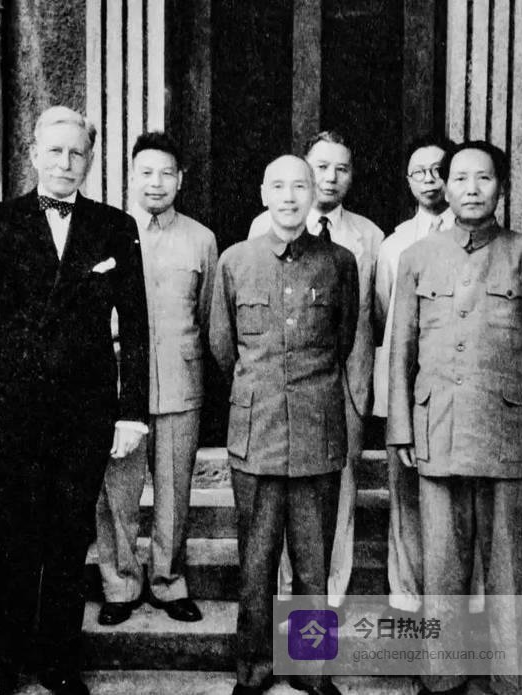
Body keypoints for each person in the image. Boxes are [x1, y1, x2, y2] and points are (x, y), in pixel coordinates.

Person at [0, 106, 150, 695]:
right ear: (33, 154)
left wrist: (131, 413)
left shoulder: (114, 227)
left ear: (90, 160)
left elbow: (137, 329)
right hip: (9, 412)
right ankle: (2, 667)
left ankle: (59, 662)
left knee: (67, 539)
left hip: (85, 414)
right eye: (54, 151)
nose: (65, 162)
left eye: (76, 152)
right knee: (9, 539)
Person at [387, 141, 522, 695]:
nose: (470, 188)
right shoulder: (417, 257)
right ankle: (442, 676)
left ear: (501, 188)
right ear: (445, 187)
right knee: (442, 564)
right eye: (460, 178)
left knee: (511, 565)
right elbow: (401, 351)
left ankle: (514, 679)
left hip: (507, 433)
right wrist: (401, 427)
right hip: (437, 430)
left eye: (483, 178)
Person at [211, 154, 363, 695]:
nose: (290, 196)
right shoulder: (235, 261)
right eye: (279, 186)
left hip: (317, 433)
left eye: (300, 185)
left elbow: (343, 341)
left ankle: (310, 669)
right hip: (257, 435)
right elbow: (223, 347)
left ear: (314, 192)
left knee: (313, 563)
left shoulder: (340, 262)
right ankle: (253, 669)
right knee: (255, 563)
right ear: (263, 193)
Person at [250, 131, 382, 606]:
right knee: (279, 500)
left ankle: (331, 593)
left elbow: (370, 315)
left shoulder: (368, 237)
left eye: (340, 168)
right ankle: (287, 596)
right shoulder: (259, 230)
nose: (330, 177)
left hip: (342, 383)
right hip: (279, 390)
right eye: (320, 167)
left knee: (336, 495)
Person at [96, 132, 217, 625]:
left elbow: (208, 315)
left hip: (178, 382)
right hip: (116, 386)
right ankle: (120, 584)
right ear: (131, 176)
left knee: (173, 493)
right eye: (146, 172)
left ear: (181, 179)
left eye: (167, 172)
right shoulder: (104, 231)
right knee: (117, 494)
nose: (156, 182)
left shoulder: (201, 239)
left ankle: (169, 582)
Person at [374, 134, 462, 615]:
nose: (429, 181)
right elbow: (388, 316)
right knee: (404, 493)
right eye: (418, 172)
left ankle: (455, 601)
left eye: (438, 170)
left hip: (458, 388)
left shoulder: (478, 239)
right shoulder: (394, 245)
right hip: (407, 388)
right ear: (407, 181)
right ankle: (406, 592)